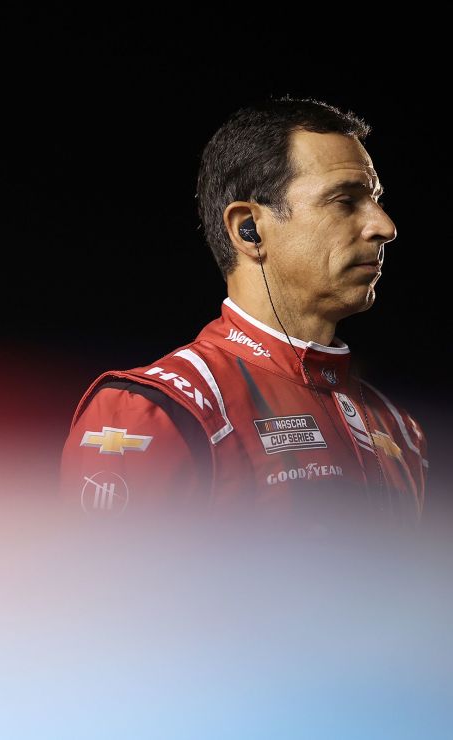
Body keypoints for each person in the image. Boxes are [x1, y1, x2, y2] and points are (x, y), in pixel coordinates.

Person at [60, 95, 427, 533]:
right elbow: (107, 598)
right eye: (346, 201)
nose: (384, 226)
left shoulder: (400, 430)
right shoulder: (156, 411)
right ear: (248, 229)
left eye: (376, 199)